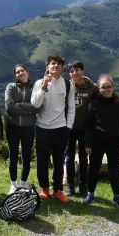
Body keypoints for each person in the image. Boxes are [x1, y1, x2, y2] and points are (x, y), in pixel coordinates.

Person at [31, 55, 75, 203]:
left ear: (62, 68)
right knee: (42, 161)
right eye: (53, 63)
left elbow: (71, 108)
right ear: (47, 67)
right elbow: (35, 105)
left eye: (59, 64)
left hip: (61, 128)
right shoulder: (39, 83)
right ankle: (44, 189)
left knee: (58, 160)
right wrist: (43, 87)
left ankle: (57, 190)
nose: (56, 66)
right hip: (42, 128)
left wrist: (68, 127)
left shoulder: (68, 84)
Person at [84, 75, 119, 206]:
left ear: (113, 87)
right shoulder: (94, 103)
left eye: (109, 86)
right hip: (96, 141)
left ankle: (117, 196)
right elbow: (89, 125)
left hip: (115, 142)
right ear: (99, 88)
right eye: (103, 87)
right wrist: (87, 144)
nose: (106, 89)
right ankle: (90, 194)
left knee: (114, 169)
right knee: (93, 168)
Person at [65, 61, 99, 197]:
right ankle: (70, 186)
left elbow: (98, 106)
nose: (75, 73)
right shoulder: (67, 86)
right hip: (69, 128)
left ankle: (82, 186)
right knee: (69, 158)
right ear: (69, 73)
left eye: (77, 70)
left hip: (85, 128)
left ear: (82, 71)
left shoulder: (93, 88)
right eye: (72, 71)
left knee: (84, 158)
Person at [4, 64, 39, 194]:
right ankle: (13, 185)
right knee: (13, 156)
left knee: (26, 156)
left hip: (28, 128)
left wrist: (19, 106)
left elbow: (38, 107)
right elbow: (9, 106)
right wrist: (29, 108)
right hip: (12, 127)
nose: (20, 73)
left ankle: (23, 184)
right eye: (17, 72)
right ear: (15, 75)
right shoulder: (11, 87)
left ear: (27, 72)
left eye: (22, 71)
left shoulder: (34, 88)